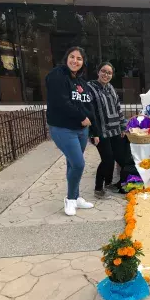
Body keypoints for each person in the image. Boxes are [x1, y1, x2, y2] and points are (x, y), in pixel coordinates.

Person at [46, 46, 99, 216]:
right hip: (63, 128)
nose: (75, 61)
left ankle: (76, 197)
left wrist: (94, 130)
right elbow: (61, 102)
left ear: (83, 62)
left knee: (72, 163)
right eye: (72, 57)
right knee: (78, 164)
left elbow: (89, 106)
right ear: (66, 58)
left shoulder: (82, 82)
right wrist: (81, 117)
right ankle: (69, 199)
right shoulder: (57, 75)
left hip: (81, 130)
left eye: (79, 58)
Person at [88, 62, 128, 199]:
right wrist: (93, 133)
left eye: (109, 73)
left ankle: (109, 183)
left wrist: (123, 127)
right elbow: (90, 112)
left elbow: (118, 108)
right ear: (98, 72)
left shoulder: (111, 88)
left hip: (115, 130)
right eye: (103, 71)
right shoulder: (90, 88)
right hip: (100, 132)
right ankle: (98, 188)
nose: (106, 75)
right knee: (107, 160)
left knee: (119, 157)